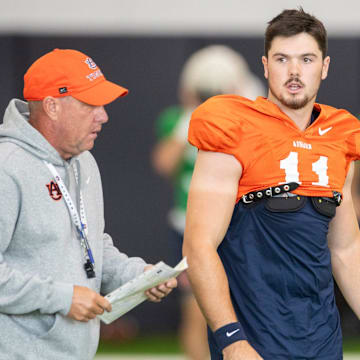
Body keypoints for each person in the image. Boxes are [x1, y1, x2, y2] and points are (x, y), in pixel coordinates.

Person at [183, 8, 360, 360]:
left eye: (307, 59)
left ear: (324, 67)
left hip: (322, 340)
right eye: (283, 59)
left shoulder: (341, 136)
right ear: (265, 66)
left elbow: (346, 249)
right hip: (253, 340)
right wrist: (232, 340)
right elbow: (198, 246)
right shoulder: (232, 126)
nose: (294, 72)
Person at [0, 48, 177, 360]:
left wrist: (138, 276)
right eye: (90, 104)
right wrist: (62, 298)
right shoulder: (7, 167)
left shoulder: (84, 162)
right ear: (52, 106)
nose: (104, 115)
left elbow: (90, 246)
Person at [152, 45, 265, 360]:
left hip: (236, 224)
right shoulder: (178, 118)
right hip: (189, 225)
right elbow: (164, 163)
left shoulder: (241, 119)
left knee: (244, 306)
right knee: (195, 310)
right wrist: (191, 117)